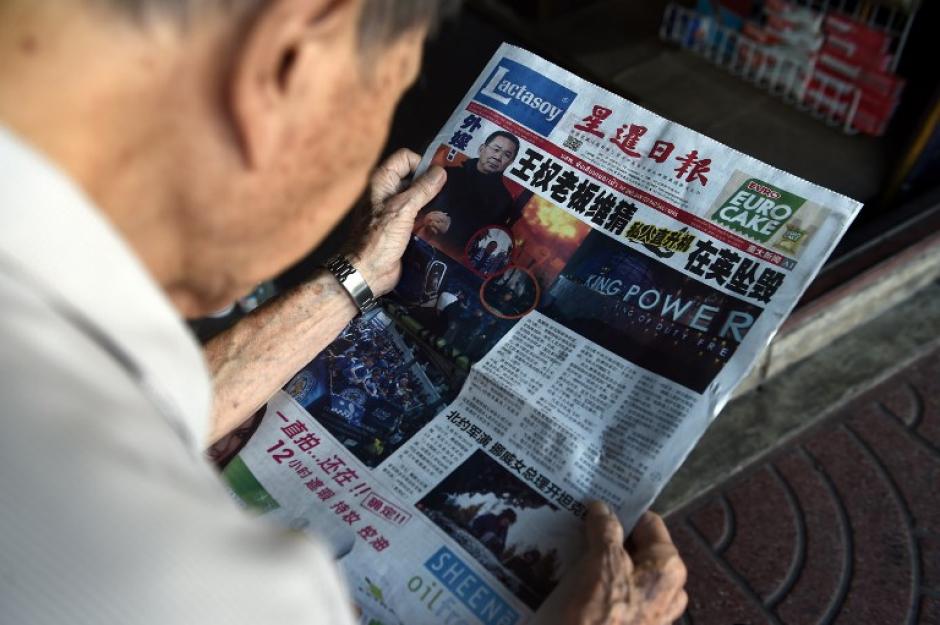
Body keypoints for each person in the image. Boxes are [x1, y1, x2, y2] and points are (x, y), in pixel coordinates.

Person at [0, 2, 686, 625]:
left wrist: (355, 279)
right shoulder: (196, 587)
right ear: (292, 60)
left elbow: (149, 404)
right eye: (389, 92)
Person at [416, 130, 524, 257]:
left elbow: (486, 244)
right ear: (482, 149)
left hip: (452, 259)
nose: (498, 157)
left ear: (510, 162)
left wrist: (451, 229)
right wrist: (426, 215)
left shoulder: (504, 201)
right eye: (496, 149)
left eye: (506, 155)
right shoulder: (449, 173)